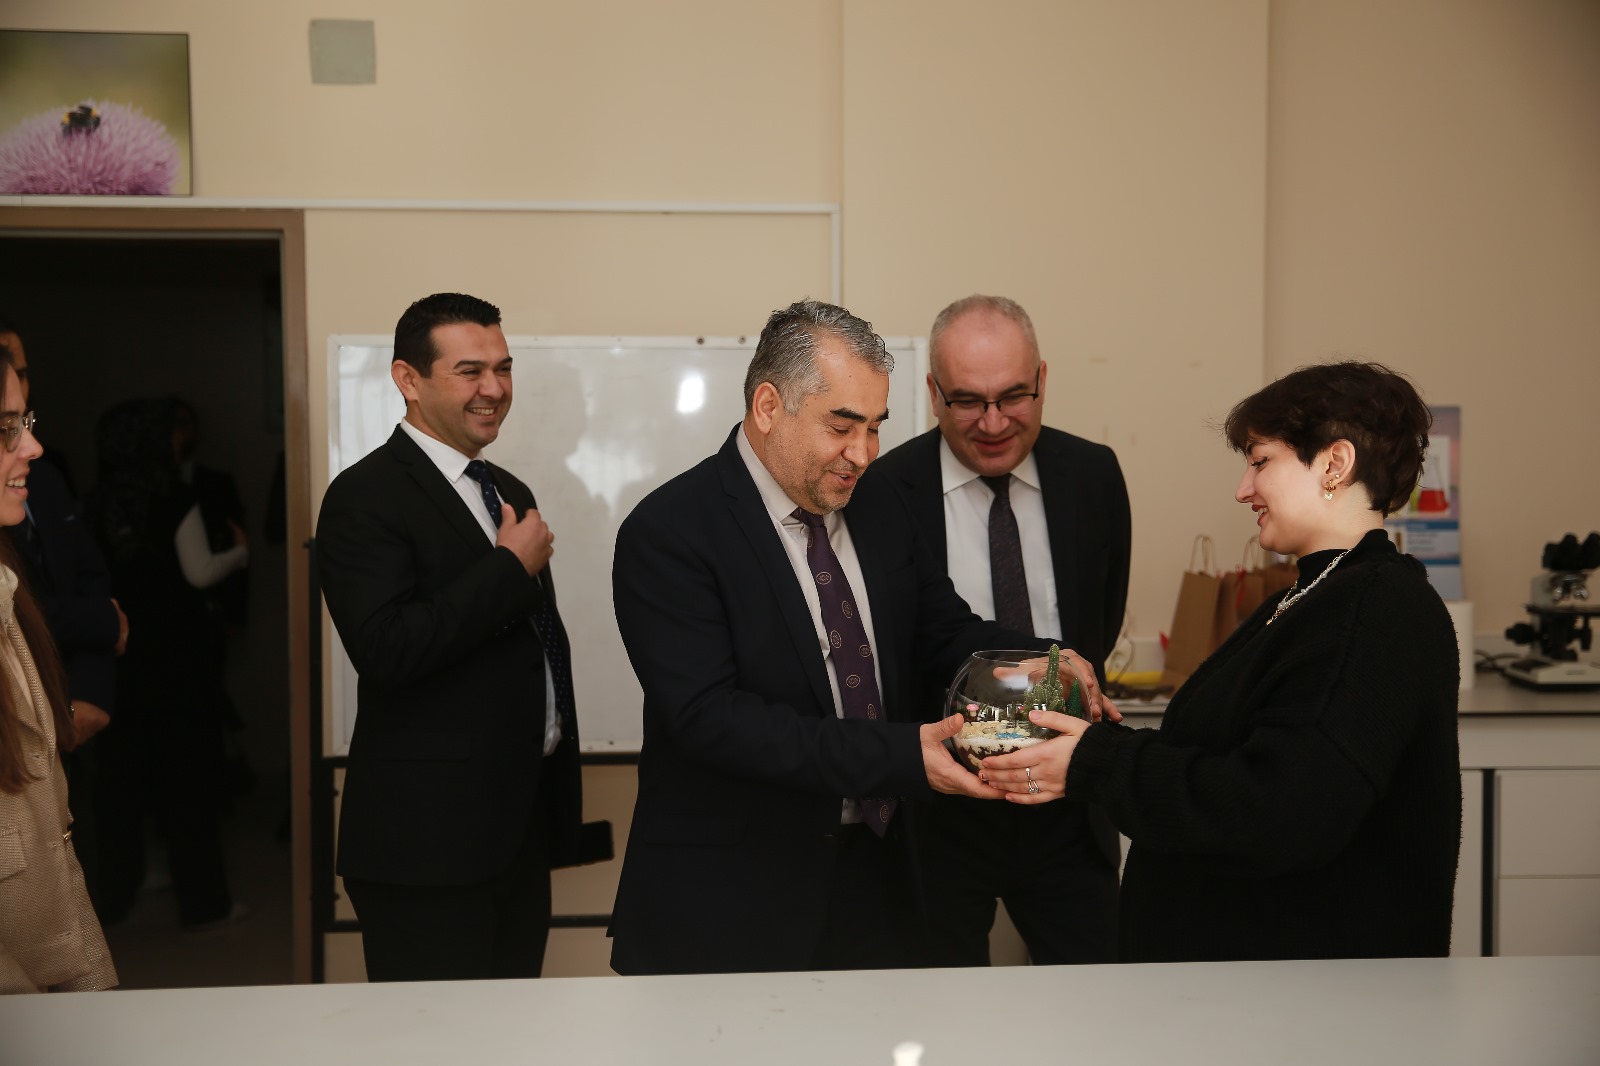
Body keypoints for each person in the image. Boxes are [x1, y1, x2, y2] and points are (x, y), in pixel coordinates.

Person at [608, 298, 1106, 976]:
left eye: (875, 427)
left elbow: (942, 630)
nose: (864, 454)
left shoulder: (877, 503)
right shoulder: (669, 532)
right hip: (733, 901)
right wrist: (901, 756)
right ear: (768, 406)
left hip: (881, 881)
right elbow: (711, 720)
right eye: (842, 426)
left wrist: (1036, 661)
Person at [982, 361, 1461, 961]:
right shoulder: (1312, 596)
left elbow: (1278, 812)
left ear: (1335, 464)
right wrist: (1099, 743)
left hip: (1311, 1002)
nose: (1243, 489)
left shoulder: (1375, 609)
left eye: (1261, 462)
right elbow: (1232, 762)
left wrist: (1097, 762)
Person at [316, 292, 583, 982]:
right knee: (433, 1035)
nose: (494, 389)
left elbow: (532, 649)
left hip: (516, 832)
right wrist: (507, 569)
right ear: (408, 379)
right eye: (470, 371)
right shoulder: (363, 496)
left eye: (503, 368)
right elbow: (387, 649)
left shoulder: (508, 489)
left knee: (512, 1030)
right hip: (425, 849)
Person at [860, 295, 1128, 966]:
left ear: (1042, 380)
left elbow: (1099, 620)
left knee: (1099, 996)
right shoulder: (882, 490)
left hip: (1069, 800)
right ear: (933, 393)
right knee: (943, 1005)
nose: (993, 422)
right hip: (941, 807)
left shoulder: (1093, 475)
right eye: (967, 401)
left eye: (1013, 396)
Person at [85, 398, 250, 929]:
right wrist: (239, 554)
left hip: (116, 657)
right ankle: (204, 904)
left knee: (119, 782)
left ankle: (117, 892)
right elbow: (199, 572)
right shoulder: (174, 496)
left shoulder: (95, 500)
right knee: (186, 781)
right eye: (173, 430)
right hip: (176, 659)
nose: (182, 438)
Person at [0, 344, 118, 993]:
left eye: (25, 421)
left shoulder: (7, 593)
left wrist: (87, 1000)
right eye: (5, 428)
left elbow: (52, 845)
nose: (33, 447)